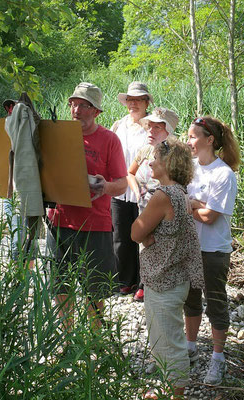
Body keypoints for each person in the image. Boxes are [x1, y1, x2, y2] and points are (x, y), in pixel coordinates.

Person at [47, 82, 127, 327]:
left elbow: (122, 183)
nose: (76, 110)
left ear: (96, 111)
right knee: (60, 285)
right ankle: (67, 336)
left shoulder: (109, 140)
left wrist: (105, 186)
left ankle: (94, 340)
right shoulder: (58, 134)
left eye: (84, 105)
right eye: (73, 104)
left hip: (96, 224)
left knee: (96, 288)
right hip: (59, 221)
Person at [131, 137, 204, 399]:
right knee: (163, 337)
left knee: (169, 342)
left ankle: (176, 394)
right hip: (173, 279)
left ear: (168, 163)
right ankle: (167, 387)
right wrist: (151, 236)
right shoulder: (181, 193)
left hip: (165, 282)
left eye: (155, 158)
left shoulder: (163, 196)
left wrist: (146, 236)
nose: (150, 162)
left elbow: (134, 232)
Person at [184, 116, 241, 386]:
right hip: (190, 247)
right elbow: (194, 207)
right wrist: (198, 205)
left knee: (216, 303)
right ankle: (191, 347)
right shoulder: (190, 168)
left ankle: (218, 360)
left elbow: (211, 217)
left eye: (193, 136)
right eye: (188, 136)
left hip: (214, 251)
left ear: (210, 140)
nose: (189, 141)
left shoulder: (223, 174)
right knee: (190, 299)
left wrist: (191, 203)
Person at [127, 107, 179, 302]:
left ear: (168, 131)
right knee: (144, 244)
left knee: (164, 245)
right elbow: (130, 172)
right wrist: (137, 191)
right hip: (145, 205)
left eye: (158, 128)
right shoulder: (146, 150)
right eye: (150, 127)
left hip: (166, 208)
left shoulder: (176, 153)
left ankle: (164, 287)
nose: (151, 131)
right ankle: (145, 284)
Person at [111, 81, 154, 299]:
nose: (133, 104)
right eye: (130, 100)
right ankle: (124, 281)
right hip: (120, 188)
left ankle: (144, 283)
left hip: (144, 191)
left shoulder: (153, 127)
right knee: (120, 236)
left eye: (138, 100)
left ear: (147, 102)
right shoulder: (118, 126)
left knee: (144, 236)